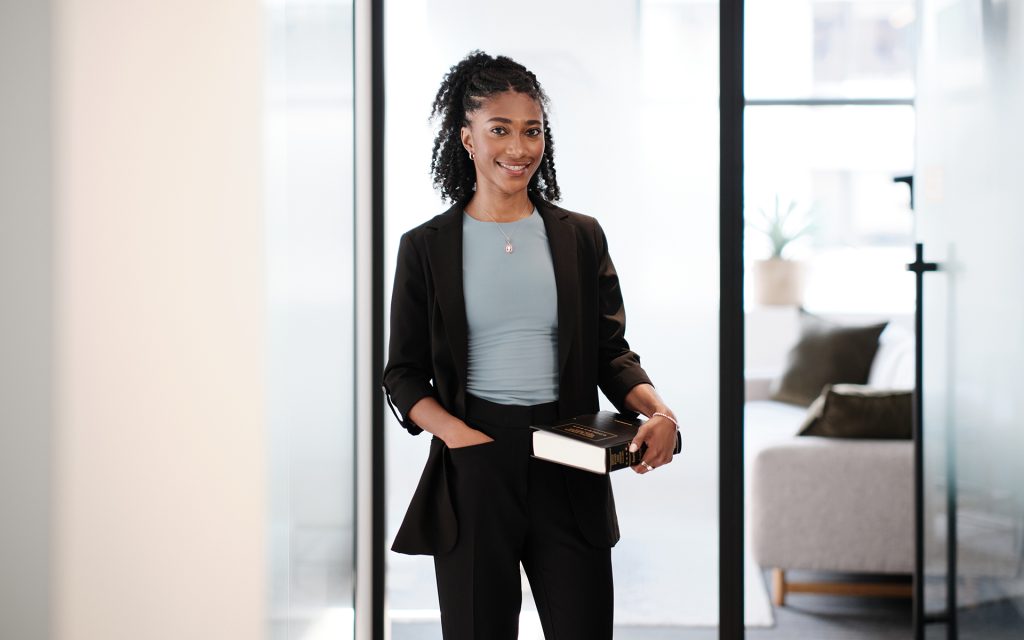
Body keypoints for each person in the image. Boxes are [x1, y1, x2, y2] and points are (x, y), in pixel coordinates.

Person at [382, 50, 680, 640]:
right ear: (467, 137)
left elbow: (610, 352)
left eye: (532, 130)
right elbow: (403, 375)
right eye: (500, 129)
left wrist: (659, 413)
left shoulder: (579, 237)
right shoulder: (426, 247)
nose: (519, 148)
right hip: (476, 465)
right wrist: (461, 439)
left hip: (569, 461)